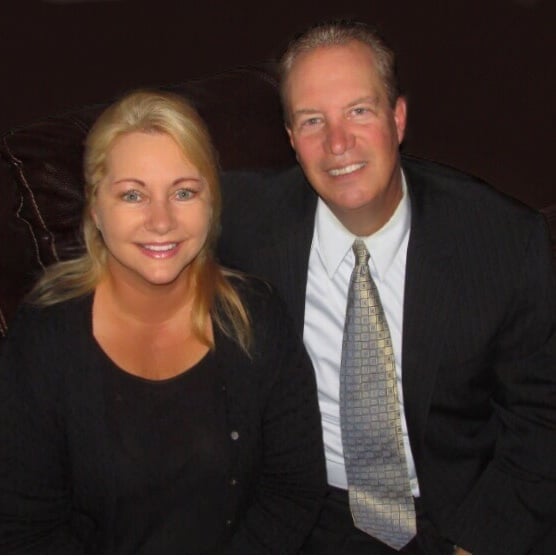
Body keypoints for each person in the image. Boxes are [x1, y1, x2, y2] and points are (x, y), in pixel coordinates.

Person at [218, 20, 556, 554]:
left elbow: (542, 418)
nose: (337, 143)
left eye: (359, 111)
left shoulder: (503, 242)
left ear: (398, 118)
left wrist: (482, 544)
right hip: (305, 511)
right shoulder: (241, 221)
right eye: (312, 120)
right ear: (291, 139)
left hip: (459, 512)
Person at [0, 90, 326, 553]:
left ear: (211, 202)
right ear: (95, 208)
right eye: (133, 195)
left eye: (183, 192)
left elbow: (293, 490)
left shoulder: (257, 317)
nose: (161, 221)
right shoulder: (43, 337)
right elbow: (25, 527)